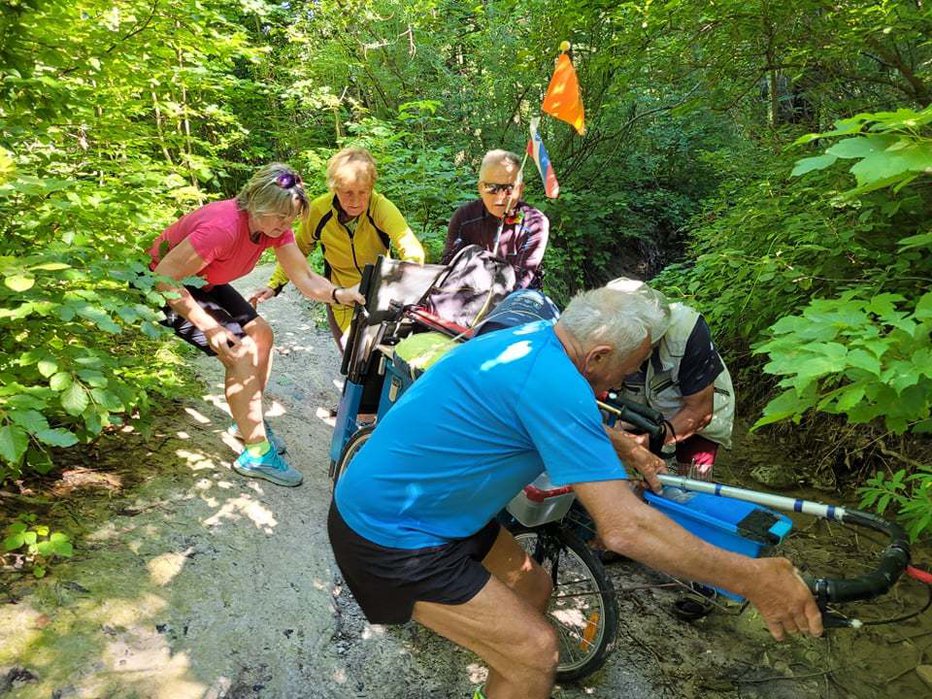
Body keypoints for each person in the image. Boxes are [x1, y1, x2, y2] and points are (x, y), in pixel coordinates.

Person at [328, 287, 822, 699]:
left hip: (437, 511)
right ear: (599, 355)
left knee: (534, 587)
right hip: (391, 536)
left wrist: (617, 443)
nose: (630, 377)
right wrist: (753, 577)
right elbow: (625, 528)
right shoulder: (552, 381)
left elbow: (535, 406)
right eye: (633, 365)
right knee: (536, 650)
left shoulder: (533, 341)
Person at [148, 163, 364, 487]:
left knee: (262, 334)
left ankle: (246, 421)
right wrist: (209, 326)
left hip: (205, 280)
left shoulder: (272, 226)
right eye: (280, 217)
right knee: (241, 351)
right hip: (166, 286)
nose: (285, 225)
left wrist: (341, 294)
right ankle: (256, 452)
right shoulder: (222, 228)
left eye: (290, 219)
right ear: (258, 204)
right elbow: (162, 279)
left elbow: (304, 277)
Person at [249, 147, 425, 351]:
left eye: (363, 192)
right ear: (334, 188)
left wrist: (400, 280)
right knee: (353, 360)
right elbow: (296, 250)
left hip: (381, 296)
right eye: (348, 193)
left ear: (371, 187)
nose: (356, 201)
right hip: (341, 298)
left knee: (383, 359)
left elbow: (412, 250)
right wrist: (275, 284)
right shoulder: (319, 211)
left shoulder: (380, 207)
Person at [607, 277, 734, 480]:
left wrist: (649, 441)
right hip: (639, 407)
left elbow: (700, 411)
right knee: (648, 478)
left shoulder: (688, 331)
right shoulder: (594, 335)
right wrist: (617, 433)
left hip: (696, 408)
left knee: (694, 484)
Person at [442, 149, 549, 289]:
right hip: (470, 291)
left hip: (518, 297)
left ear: (520, 190)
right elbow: (448, 266)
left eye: (509, 188)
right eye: (491, 187)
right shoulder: (464, 217)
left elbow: (522, 279)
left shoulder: (535, 222)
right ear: (480, 188)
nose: (500, 197)